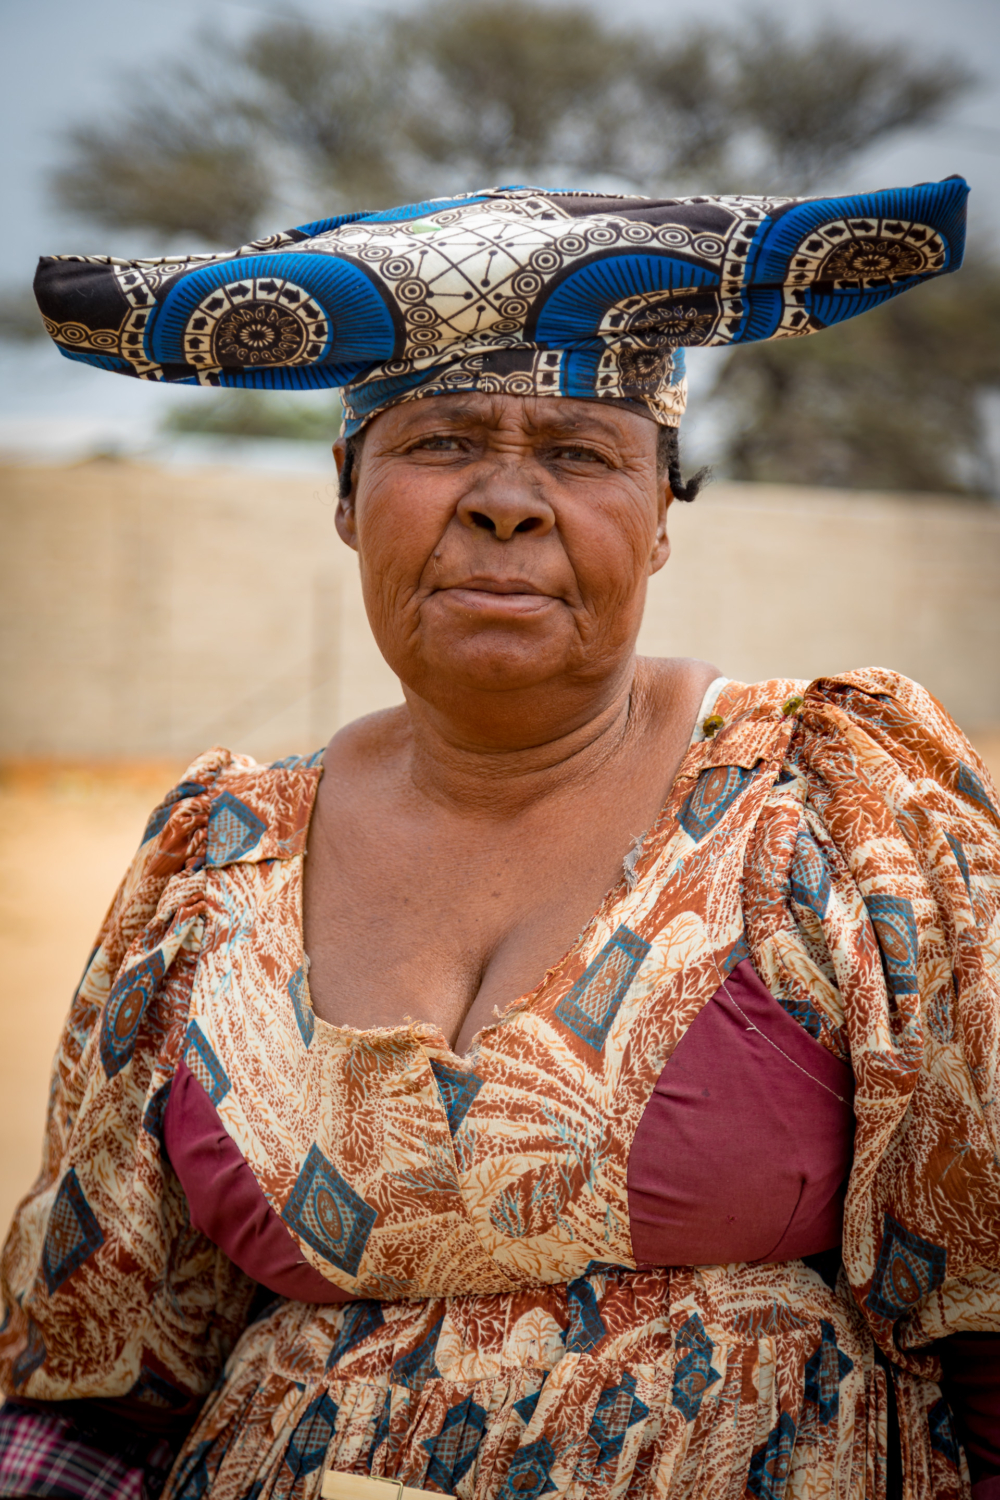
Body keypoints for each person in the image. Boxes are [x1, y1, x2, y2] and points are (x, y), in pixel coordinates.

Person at [2, 179, 998, 1500]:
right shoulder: (217, 863)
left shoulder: (831, 809)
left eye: (581, 453)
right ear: (348, 497)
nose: (506, 502)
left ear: (661, 516)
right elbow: (91, 1391)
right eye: (442, 440)